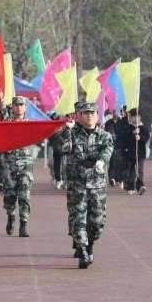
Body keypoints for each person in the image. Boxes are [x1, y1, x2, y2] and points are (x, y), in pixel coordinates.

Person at [54, 102, 114, 269]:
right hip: (77, 183)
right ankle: (83, 251)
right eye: (85, 113)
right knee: (79, 218)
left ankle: (90, 245)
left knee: (97, 222)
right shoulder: (72, 133)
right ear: (79, 116)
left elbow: (108, 149)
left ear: (97, 116)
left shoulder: (104, 135)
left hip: (97, 184)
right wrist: (66, 130)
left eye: (92, 113)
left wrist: (101, 161)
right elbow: (63, 148)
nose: (89, 116)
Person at [0, 95, 34, 237]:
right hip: (10, 164)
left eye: (21, 105)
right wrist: (0, 98)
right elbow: (1, 111)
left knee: (24, 195)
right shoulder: (7, 123)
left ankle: (23, 224)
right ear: (12, 107)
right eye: (16, 105)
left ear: (25, 108)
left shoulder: (31, 125)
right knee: (10, 196)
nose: (19, 107)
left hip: (26, 165)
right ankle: (11, 215)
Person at [118, 109, 150, 195]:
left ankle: (140, 186)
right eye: (134, 117)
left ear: (140, 117)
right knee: (131, 170)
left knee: (139, 169)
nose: (136, 118)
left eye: (138, 116)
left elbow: (146, 138)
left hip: (140, 152)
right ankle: (131, 187)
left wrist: (140, 137)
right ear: (131, 118)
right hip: (130, 153)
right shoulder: (128, 127)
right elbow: (124, 138)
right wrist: (132, 133)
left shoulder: (143, 127)